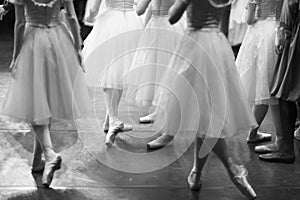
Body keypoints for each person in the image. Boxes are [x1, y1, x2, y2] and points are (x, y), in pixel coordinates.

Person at [152, 0, 257, 199]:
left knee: (205, 117)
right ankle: (196, 173)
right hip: (218, 46)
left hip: (195, 47)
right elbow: (224, 29)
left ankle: (233, 169)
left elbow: (173, 17)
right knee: (206, 116)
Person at [1, 0, 90, 187]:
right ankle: (37, 160)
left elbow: (19, 24)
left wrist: (15, 56)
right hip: (59, 40)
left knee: (36, 100)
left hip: (33, 41)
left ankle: (49, 153)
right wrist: (78, 48)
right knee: (43, 99)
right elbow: (73, 18)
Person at [82, 0, 143, 147]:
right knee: (120, 70)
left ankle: (113, 120)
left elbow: (93, 9)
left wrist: (90, 18)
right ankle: (111, 120)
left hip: (111, 23)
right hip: (131, 22)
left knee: (111, 71)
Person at [258, 0, 300, 163]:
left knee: (285, 89)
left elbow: (291, 4)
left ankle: (285, 149)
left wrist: (282, 32)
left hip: (296, 33)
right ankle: (283, 145)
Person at [235, 0, 283, 144]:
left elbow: (249, 20)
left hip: (260, 33)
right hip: (277, 30)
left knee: (262, 87)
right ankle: (277, 136)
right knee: (270, 87)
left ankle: (256, 133)